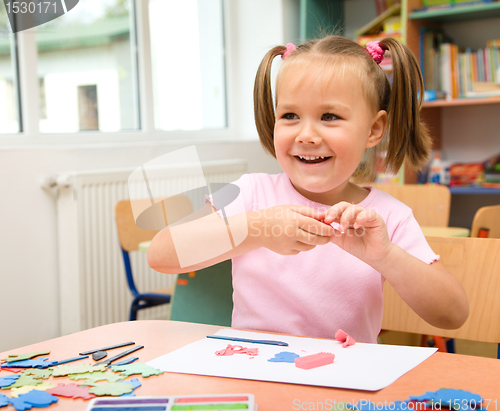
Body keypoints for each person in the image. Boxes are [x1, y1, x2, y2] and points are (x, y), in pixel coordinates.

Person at [148, 35, 469, 343]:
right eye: (290, 115)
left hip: (345, 386)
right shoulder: (250, 193)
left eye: (329, 116)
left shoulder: (387, 217)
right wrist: (258, 228)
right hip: (256, 374)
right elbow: (160, 254)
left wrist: (386, 256)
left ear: (373, 129)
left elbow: (453, 313)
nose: (306, 135)